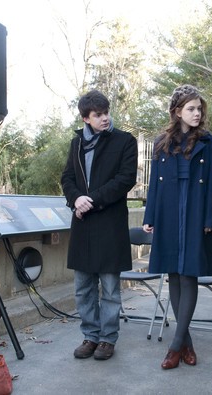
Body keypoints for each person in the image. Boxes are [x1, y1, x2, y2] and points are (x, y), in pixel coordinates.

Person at [143, 85, 212, 369]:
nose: (197, 113)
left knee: (189, 276)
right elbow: (154, 185)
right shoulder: (161, 142)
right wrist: (149, 216)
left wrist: (210, 220)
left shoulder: (210, 143)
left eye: (199, 109)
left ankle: (175, 346)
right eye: (191, 109)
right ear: (177, 112)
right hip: (168, 211)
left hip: (196, 212)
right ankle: (185, 342)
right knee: (173, 275)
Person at [61, 90, 138, 361]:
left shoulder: (125, 141)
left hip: (109, 223)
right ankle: (90, 336)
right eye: (98, 115)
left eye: (106, 112)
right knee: (83, 287)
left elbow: (125, 179)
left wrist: (89, 200)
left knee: (110, 289)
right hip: (82, 225)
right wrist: (75, 199)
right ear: (85, 118)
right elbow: (67, 178)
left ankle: (107, 339)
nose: (105, 118)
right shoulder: (76, 144)